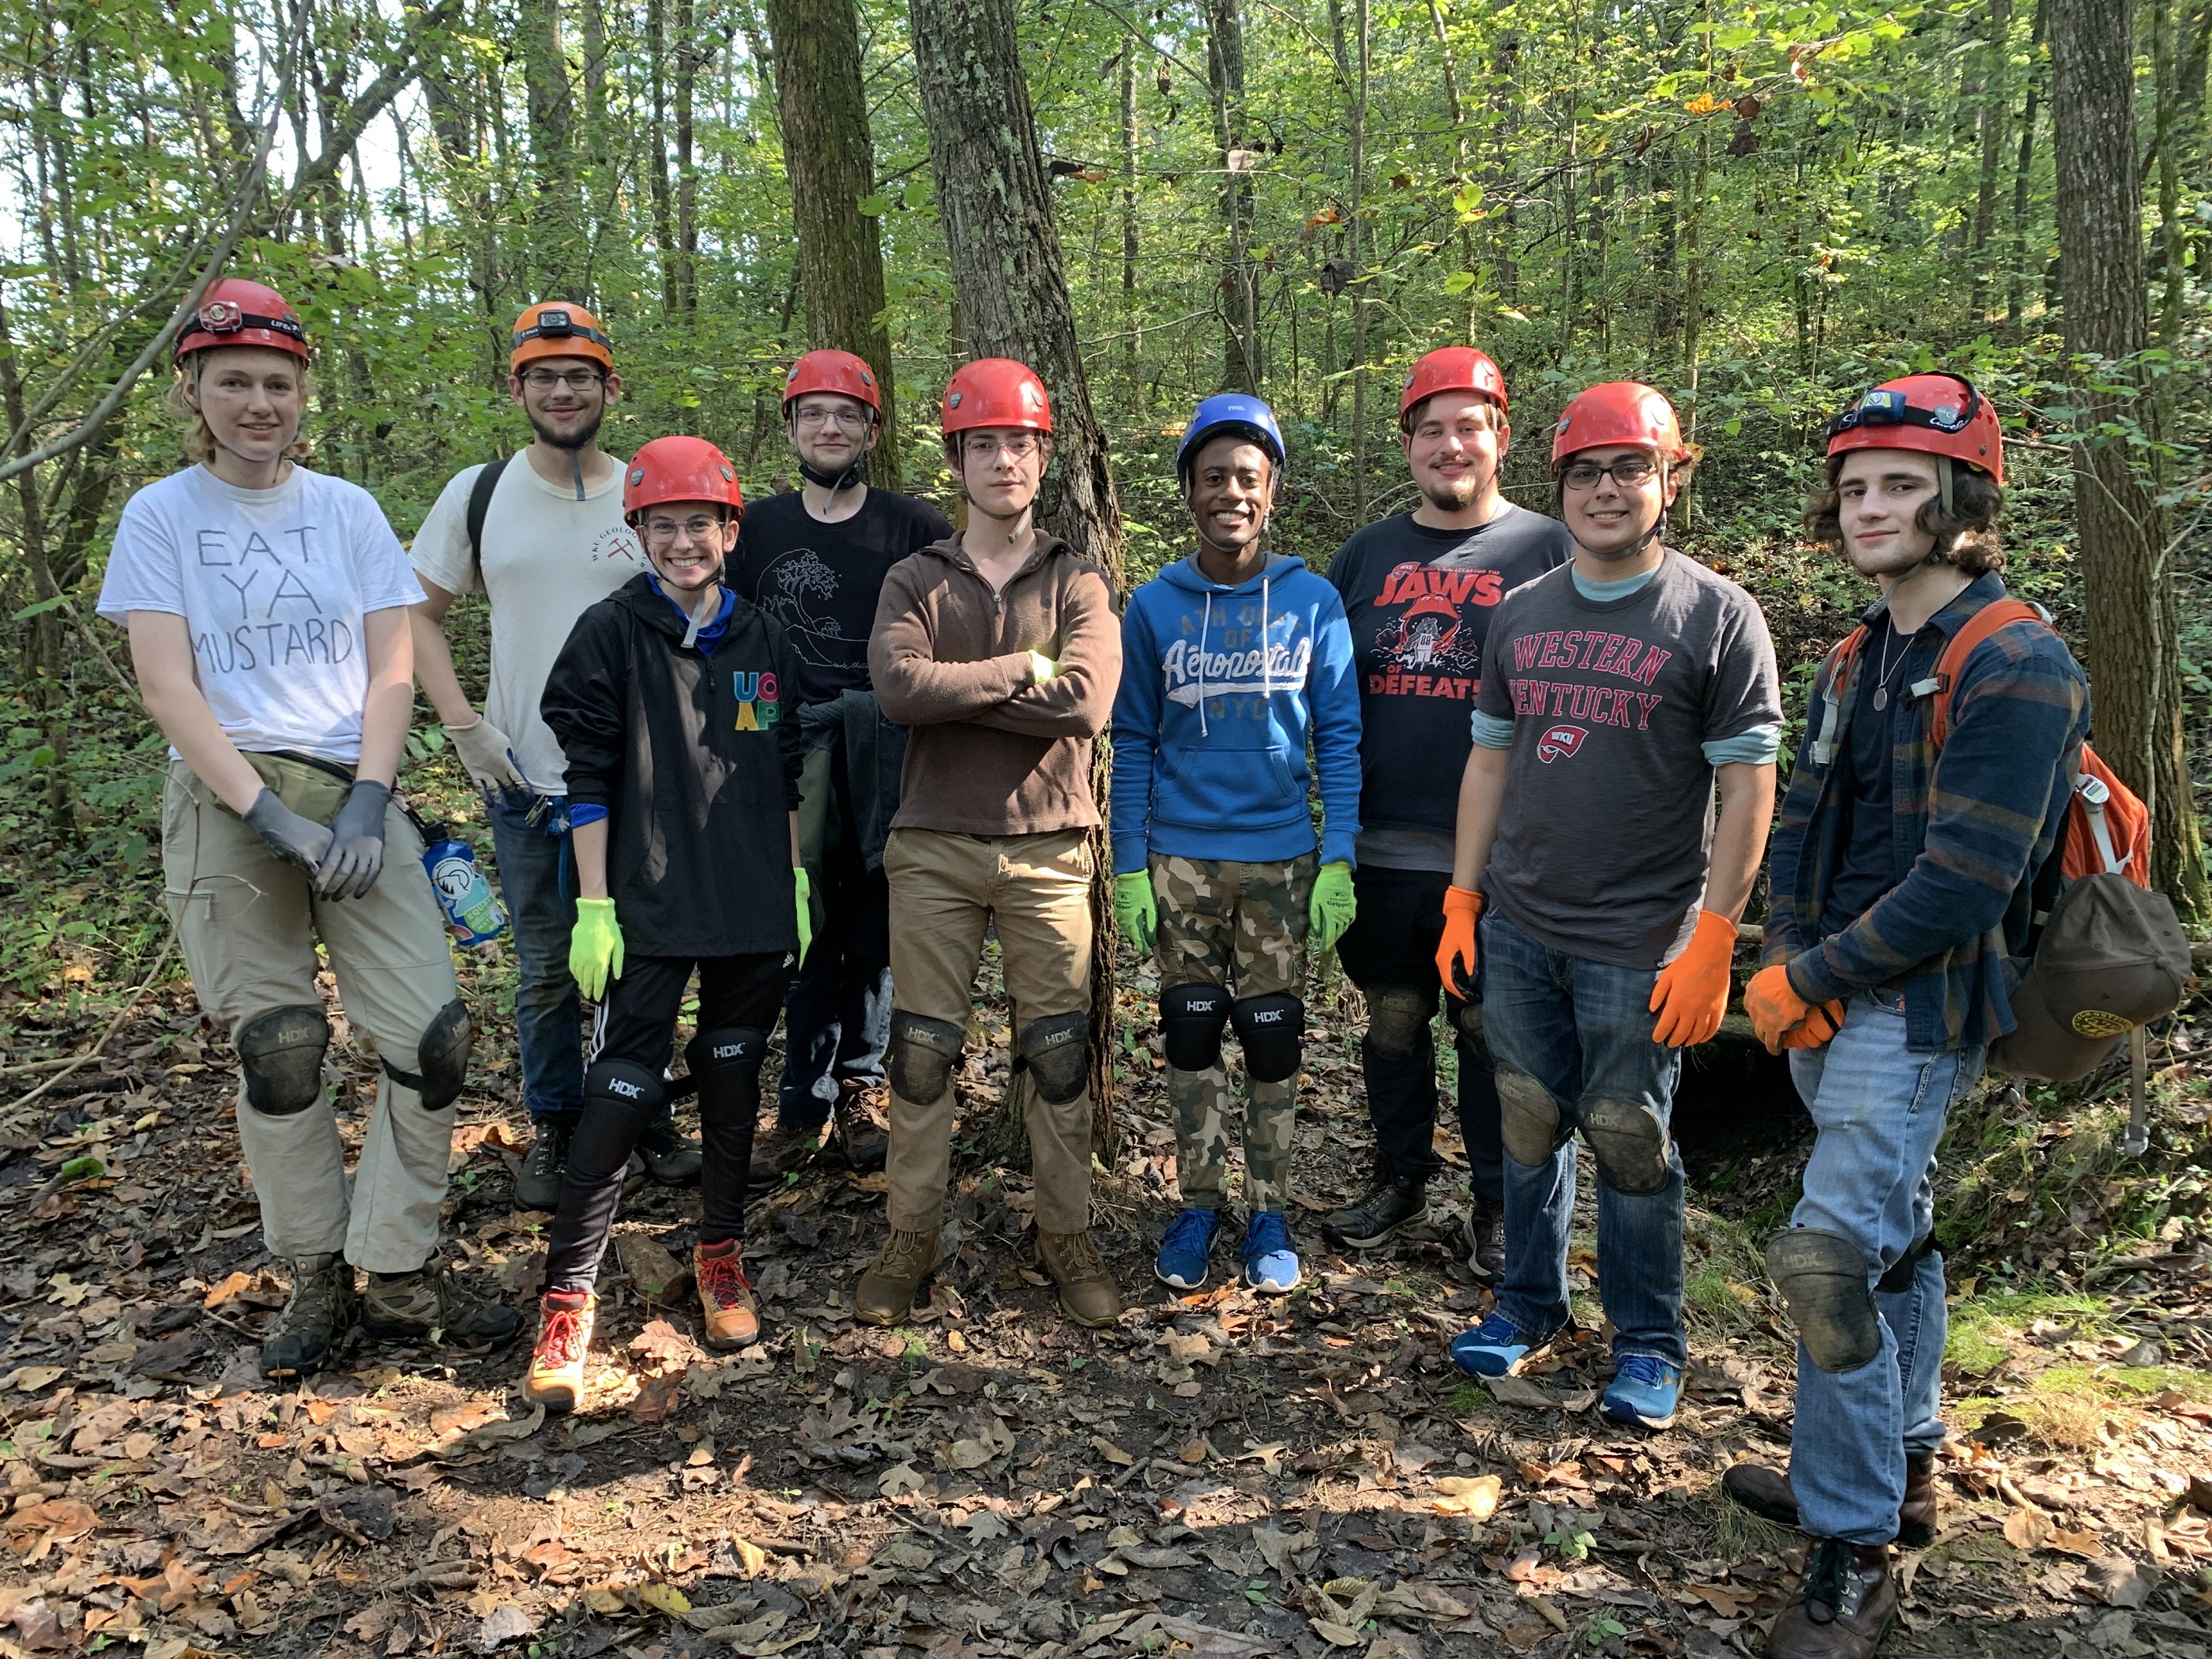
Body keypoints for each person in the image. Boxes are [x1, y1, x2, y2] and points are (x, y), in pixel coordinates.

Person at [97, 277, 521, 1376]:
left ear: (302, 395)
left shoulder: (346, 512)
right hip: (231, 803)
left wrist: (374, 799)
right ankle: (317, 1272)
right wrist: (268, 813)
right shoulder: (161, 516)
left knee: (433, 1036)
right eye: (234, 382)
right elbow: (165, 684)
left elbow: (392, 661)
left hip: (356, 792)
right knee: (280, 1049)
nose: (257, 404)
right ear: (194, 388)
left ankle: (399, 1264)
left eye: (277, 384)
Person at [1727, 375, 2087, 1659]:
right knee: (1891, 1245)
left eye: (1901, 486)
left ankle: (1851, 1555)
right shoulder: (1854, 654)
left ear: (1963, 502)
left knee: (1830, 1254)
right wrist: (1786, 961)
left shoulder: (2018, 661)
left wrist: (1812, 982)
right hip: (1827, 1000)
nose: (1870, 507)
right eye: (1855, 485)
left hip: (1922, 1011)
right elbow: (1808, 828)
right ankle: (1903, 1467)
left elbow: (1965, 884)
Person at [1439, 382, 1780, 1433]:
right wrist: (1462, 895)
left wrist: (1717, 932)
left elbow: (1748, 785)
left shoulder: (1718, 617)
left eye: (1629, 467)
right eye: (1585, 471)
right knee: (1531, 1123)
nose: (1604, 490)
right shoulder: (1522, 612)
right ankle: (1530, 1304)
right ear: (1560, 485)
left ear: (1671, 479)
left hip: (1643, 938)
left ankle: (1648, 1343)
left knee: (1633, 1136)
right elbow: (1490, 765)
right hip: (1522, 924)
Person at [524, 436, 810, 1411]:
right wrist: (594, 904)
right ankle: (568, 1298)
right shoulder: (608, 633)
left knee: (733, 1089)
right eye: (664, 525)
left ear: (730, 531)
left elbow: (781, 767)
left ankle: (719, 1254)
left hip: (749, 906)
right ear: (637, 531)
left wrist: (797, 882)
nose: (684, 541)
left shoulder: (760, 636)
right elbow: (586, 777)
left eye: (701, 523)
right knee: (618, 1099)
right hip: (642, 908)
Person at [408, 302, 700, 1212]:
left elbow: (696, 610)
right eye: (544, 376)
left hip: (643, 779)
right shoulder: (479, 492)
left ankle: (639, 1108)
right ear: (519, 388)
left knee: (642, 956)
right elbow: (415, 612)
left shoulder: (647, 490)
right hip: (525, 776)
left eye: (579, 375)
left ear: (609, 385)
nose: (563, 390)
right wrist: (462, 722)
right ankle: (557, 1122)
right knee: (543, 968)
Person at [858, 358, 1124, 1330]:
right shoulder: (914, 575)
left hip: (1052, 849)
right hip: (931, 845)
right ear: (956, 459)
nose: (1002, 459)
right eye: (983, 444)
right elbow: (897, 694)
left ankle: (1065, 1235)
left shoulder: (1079, 579)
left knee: (1056, 1053)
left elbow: (1086, 706)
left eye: (1018, 442)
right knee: (921, 1052)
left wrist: (957, 688)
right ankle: (910, 1233)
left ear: (1043, 455)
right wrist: (1021, 670)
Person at [1321, 347, 1571, 1272]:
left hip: (1501, 854)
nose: (1449, 444)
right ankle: (1398, 1174)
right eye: (1430, 429)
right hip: (1380, 840)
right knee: (1392, 1016)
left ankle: (1497, 1202)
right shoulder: (1367, 554)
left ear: (1501, 437)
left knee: (1485, 1029)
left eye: (1469, 426)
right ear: (1408, 444)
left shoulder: (1549, 548)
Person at [1112, 394, 1360, 1296]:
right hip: (1179, 861)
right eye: (1213, 477)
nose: (1231, 493)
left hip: (1281, 861)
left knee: (1271, 1037)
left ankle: (1269, 1211)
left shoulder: (1312, 601)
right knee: (1187, 1033)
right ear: (1188, 491)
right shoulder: (1153, 607)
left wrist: (1340, 855)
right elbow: (1131, 738)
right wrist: (1129, 865)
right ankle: (1198, 1201)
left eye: (1247, 478)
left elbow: (1338, 734)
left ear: (1273, 490)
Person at [732, 350, 953, 1182]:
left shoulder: (913, 527)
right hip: (793, 753)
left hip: (892, 755)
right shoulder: (754, 530)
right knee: (802, 928)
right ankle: (801, 1097)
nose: (830, 427)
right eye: (813, 413)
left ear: (870, 428)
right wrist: (754, 739)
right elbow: (740, 642)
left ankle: (861, 1087)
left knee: (874, 930)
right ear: (790, 427)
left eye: (846, 414)